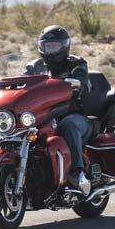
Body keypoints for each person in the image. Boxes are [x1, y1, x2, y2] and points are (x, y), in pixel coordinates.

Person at [25, 25, 92, 191]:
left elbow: (82, 82)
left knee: (68, 125)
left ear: (64, 46)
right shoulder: (34, 67)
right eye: (47, 46)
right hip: (43, 115)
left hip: (74, 114)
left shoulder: (76, 63)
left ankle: (77, 172)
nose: (51, 50)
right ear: (41, 47)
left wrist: (77, 83)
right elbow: (22, 85)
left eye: (54, 46)